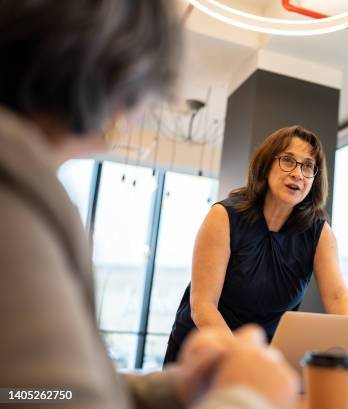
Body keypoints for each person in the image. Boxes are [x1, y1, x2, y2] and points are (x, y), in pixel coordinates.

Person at [0, 1, 298, 409]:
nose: (141, 110)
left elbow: (37, 391)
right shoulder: (13, 198)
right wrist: (247, 395)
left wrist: (174, 388)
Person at [164, 125, 348, 364]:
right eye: (288, 160)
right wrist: (243, 358)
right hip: (203, 353)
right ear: (266, 166)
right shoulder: (223, 216)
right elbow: (203, 307)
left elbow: (338, 297)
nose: (298, 173)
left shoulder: (319, 233)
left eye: (308, 166)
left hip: (261, 359)